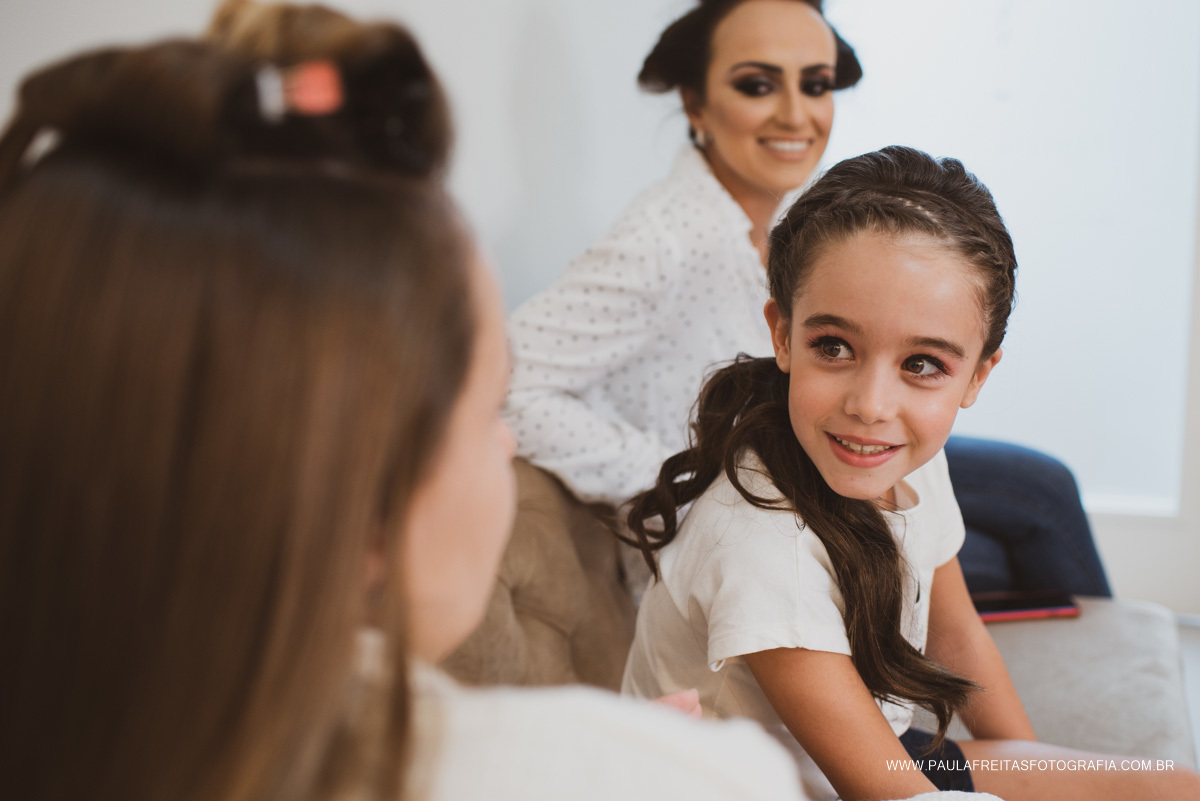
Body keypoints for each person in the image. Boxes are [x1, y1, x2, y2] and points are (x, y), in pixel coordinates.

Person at [0, 11, 993, 801]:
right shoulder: (658, 764)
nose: (507, 442)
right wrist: (678, 477)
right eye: (480, 415)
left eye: (816, 82)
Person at [620, 145, 1199, 801]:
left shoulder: (910, 457)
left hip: (883, 758)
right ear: (783, 334)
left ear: (977, 374)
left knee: (1169, 787)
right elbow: (889, 792)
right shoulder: (763, 554)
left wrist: (1033, 766)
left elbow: (957, 637)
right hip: (781, 784)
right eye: (833, 346)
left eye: (922, 363)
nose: (870, 405)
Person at [504, 0, 1109, 597]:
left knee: (1039, 489)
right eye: (758, 85)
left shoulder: (790, 212)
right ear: (695, 103)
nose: (797, 115)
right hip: (758, 510)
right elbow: (503, 387)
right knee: (1025, 518)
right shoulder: (662, 239)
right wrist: (680, 474)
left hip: (822, 454)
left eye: (815, 85)